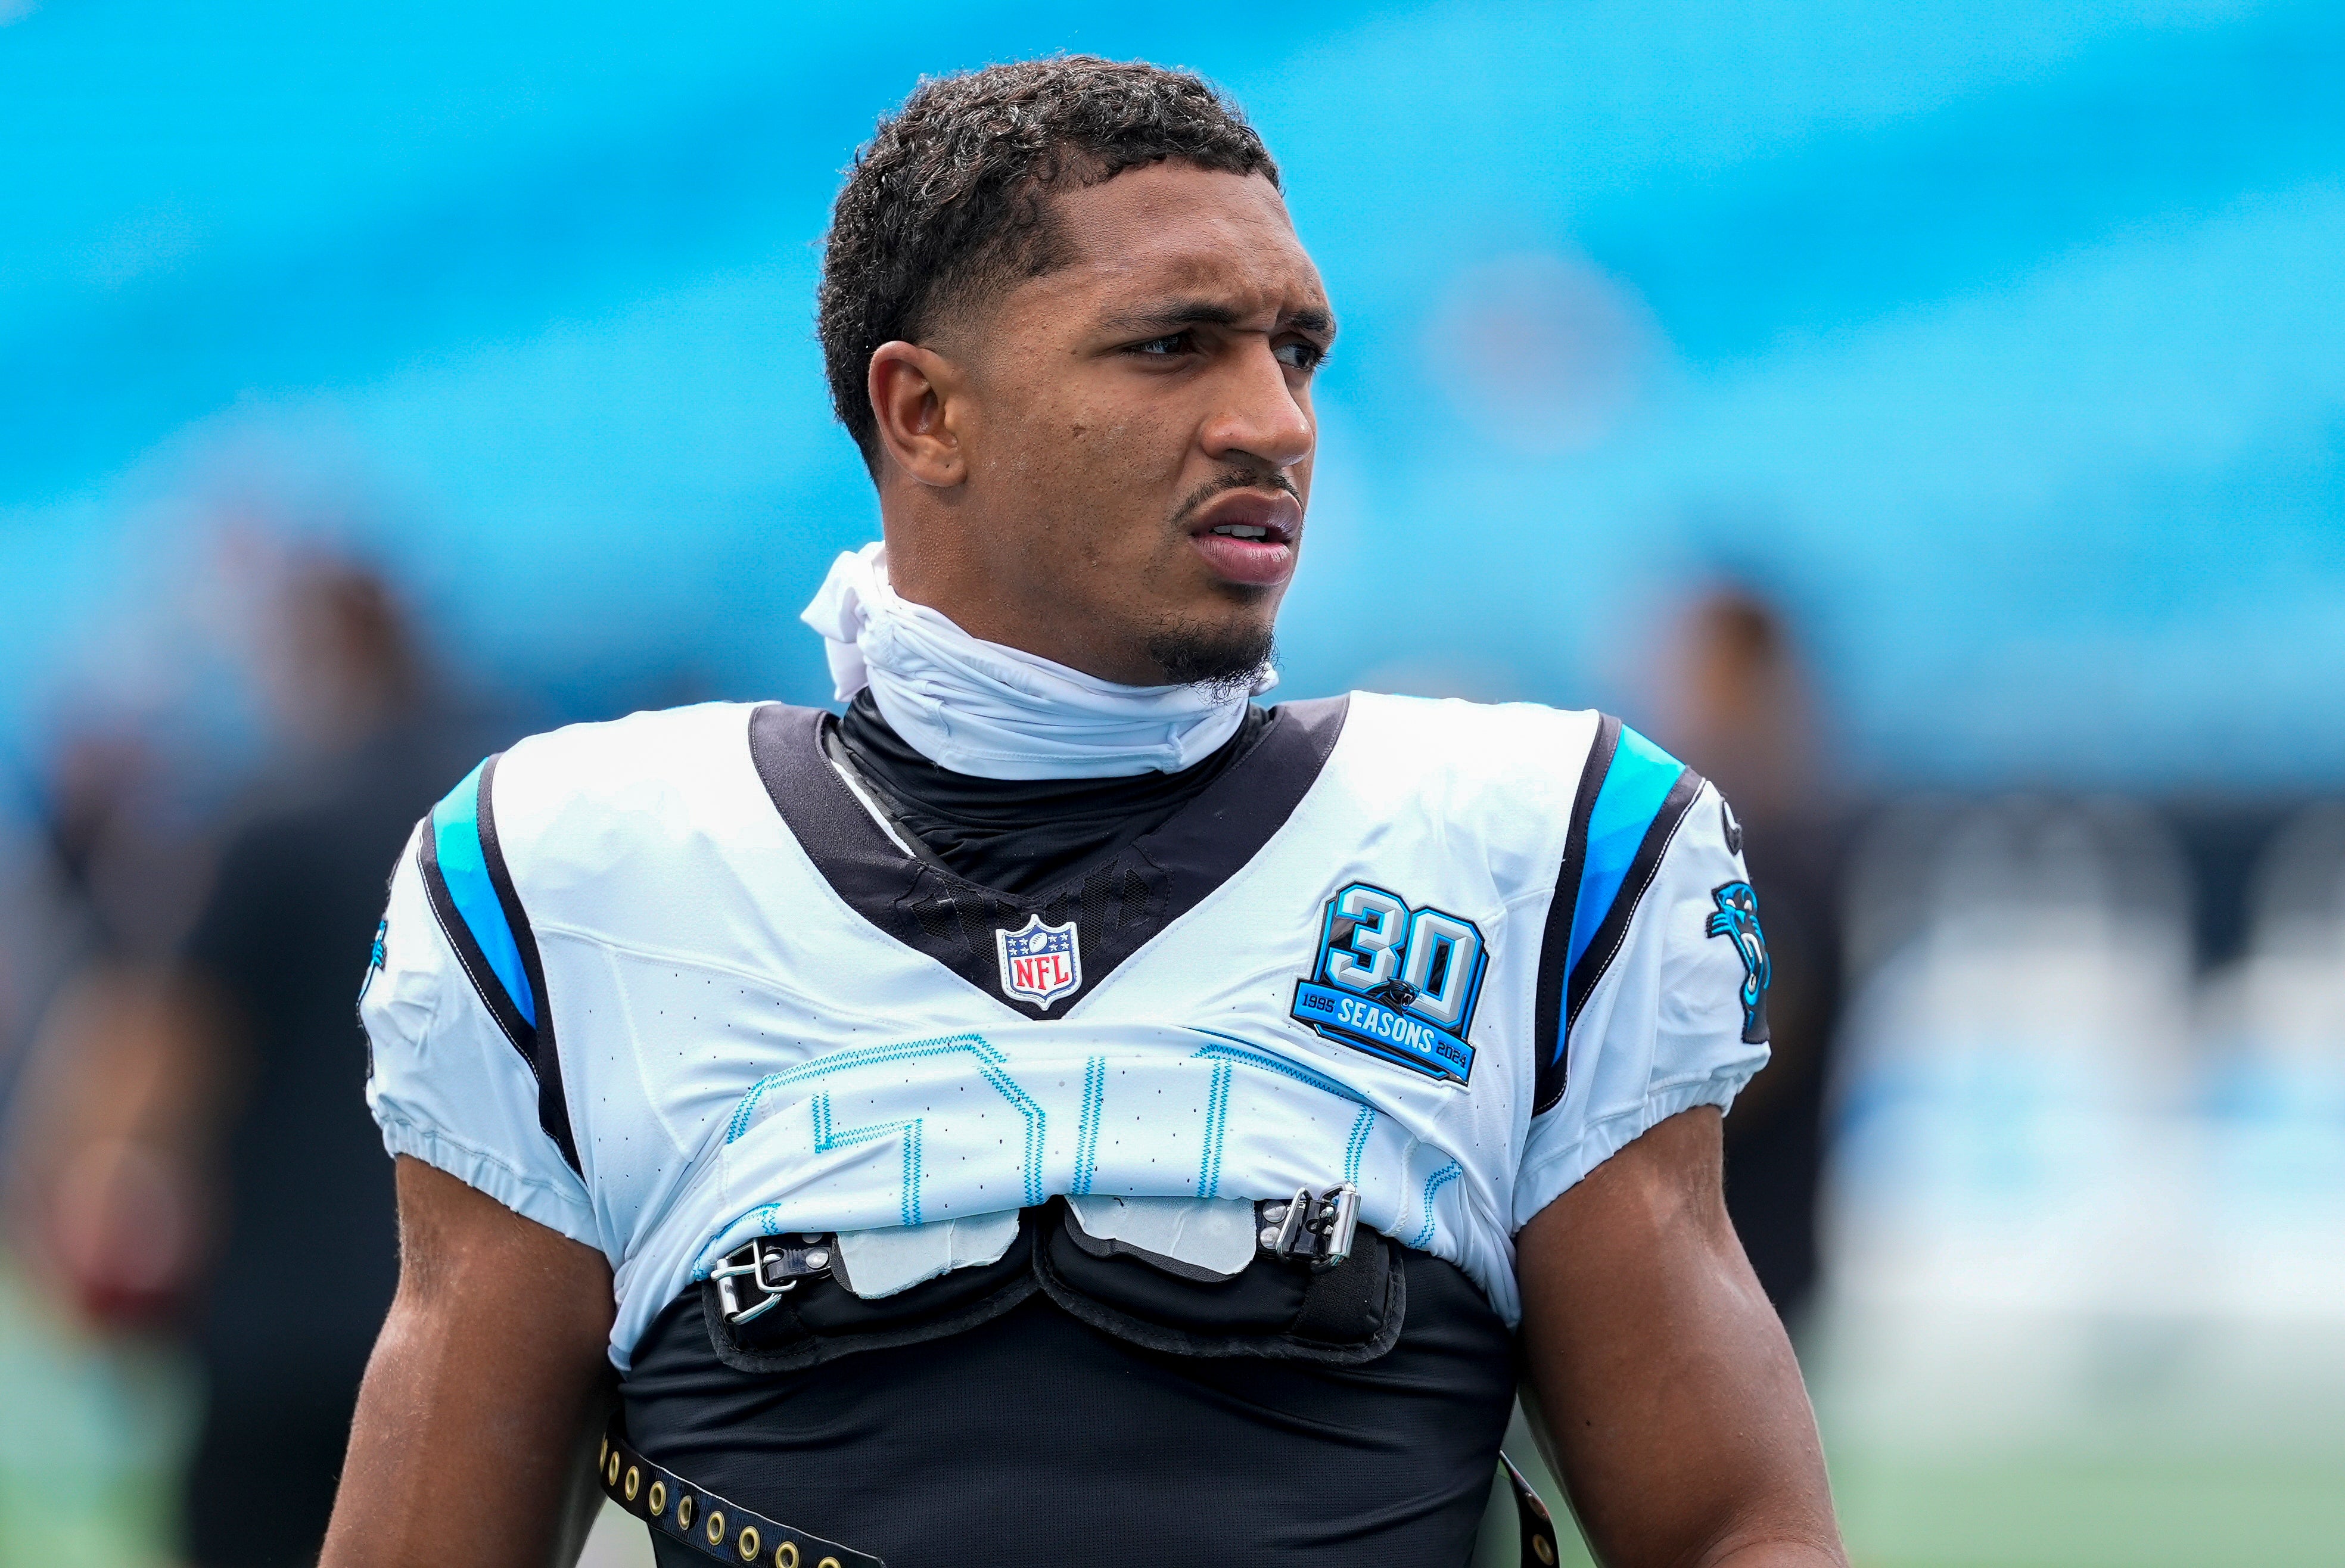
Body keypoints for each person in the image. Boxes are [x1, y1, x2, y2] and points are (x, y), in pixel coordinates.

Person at [322, 58, 1845, 1568]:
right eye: (1174, 346)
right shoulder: (575, 869)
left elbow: (1730, 1523)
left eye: (1297, 351)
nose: (1276, 421)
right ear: (923, 412)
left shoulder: (1530, 839)